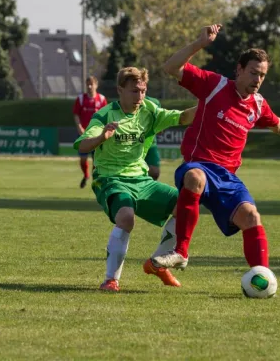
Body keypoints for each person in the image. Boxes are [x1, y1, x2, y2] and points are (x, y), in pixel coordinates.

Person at [152, 24, 280, 275]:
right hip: (198, 165)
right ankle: (181, 252)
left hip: (228, 178)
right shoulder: (214, 85)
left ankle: (262, 276)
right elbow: (171, 68)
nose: (258, 80)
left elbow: (279, 125)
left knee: (252, 217)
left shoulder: (257, 105)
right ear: (240, 70)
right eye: (254, 73)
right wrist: (199, 44)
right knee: (194, 177)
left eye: (262, 75)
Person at [73, 67, 196, 292]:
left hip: (141, 180)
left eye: (143, 90)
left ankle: (158, 262)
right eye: (134, 91)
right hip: (111, 180)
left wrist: (211, 105)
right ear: (120, 90)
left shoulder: (150, 110)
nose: (139, 96)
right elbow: (82, 145)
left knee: (186, 204)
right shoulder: (105, 114)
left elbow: (183, 117)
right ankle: (111, 279)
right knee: (126, 218)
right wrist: (102, 137)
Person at [73, 76, 108, 188]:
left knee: (96, 160)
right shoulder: (81, 99)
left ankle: (95, 180)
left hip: (97, 135)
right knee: (83, 159)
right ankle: (86, 175)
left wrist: (103, 131)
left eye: (91, 84)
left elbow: (106, 116)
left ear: (96, 85)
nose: (89, 86)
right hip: (84, 134)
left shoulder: (102, 99)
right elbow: (76, 114)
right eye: (87, 84)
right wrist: (79, 127)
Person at [144, 96, 162, 180]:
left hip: (151, 144)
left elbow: (160, 121)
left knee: (155, 172)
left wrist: (160, 127)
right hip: (133, 144)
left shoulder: (154, 102)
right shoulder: (128, 101)